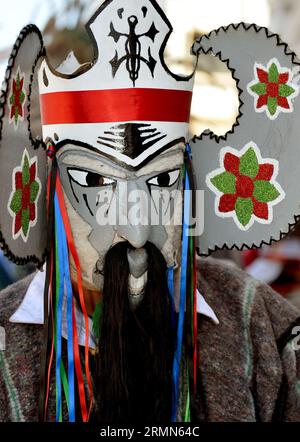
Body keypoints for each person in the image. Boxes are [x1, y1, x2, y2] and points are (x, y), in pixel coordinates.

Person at [1, 0, 300, 422]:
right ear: (49, 192)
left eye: (162, 182)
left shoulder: (257, 320)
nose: (138, 233)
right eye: (93, 182)